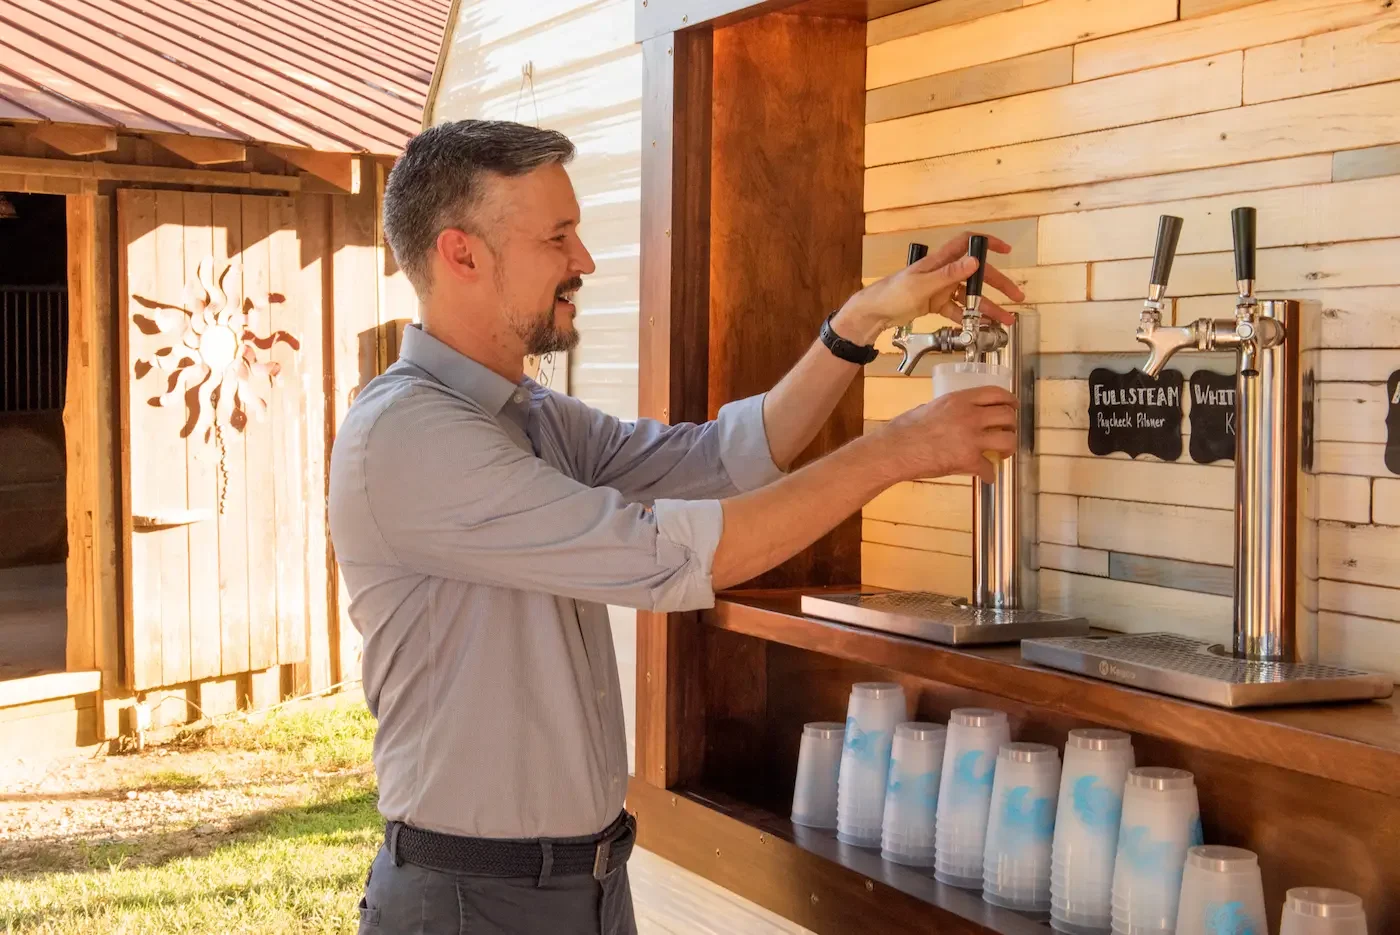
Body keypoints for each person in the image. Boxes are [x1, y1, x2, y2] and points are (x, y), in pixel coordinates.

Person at [328, 119, 1023, 935]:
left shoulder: (536, 418)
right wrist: (898, 450)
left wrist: (859, 322)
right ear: (462, 254)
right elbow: (666, 557)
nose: (583, 260)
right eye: (559, 237)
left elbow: (727, 457)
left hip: (588, 885)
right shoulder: (410, 437)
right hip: (472, 903)